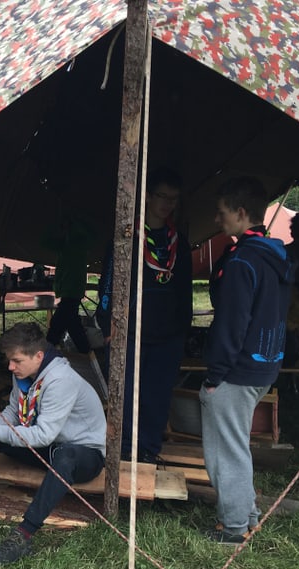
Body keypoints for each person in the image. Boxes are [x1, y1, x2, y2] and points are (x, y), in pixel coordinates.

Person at [0, 322, 106, 564]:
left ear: (38, 355)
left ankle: (23, 536)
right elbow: (13, 414)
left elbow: (44, 434)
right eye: (9, 360)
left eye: (16, 360)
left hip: (84, 454)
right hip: (49, 447)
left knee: (65, 456)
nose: (10, 366)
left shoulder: (60, 380)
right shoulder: (26, 373)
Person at [201, 176, 292, 544]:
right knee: (236, 443)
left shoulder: (243, 262)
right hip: (265, 363)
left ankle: (235, 527)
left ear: (241, 213)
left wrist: (215, 376)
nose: (218, 220)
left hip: (237, 370)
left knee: (226, 450)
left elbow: (231, 324)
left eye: (222, 214)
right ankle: (248, 516)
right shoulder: (272, 256)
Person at [96, 167, 192, 462]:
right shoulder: (126, 237)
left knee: (157, 397)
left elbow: (185, 290)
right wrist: (107, 320)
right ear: (148, 196)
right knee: (125, 396)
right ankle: (124, 453)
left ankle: (148, 451)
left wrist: (183, 329)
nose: (166, 203)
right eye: (162, 196)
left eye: (173, 199)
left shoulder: (179, 241)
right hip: (130, 332)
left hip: (168, 336)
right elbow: (108, 283)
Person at [42, 211, 95, 353]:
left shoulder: (80, 241)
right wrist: (57, 224)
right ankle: (85, 352)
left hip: (72, 290)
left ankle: (49, 350)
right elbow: (46, 241)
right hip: (68, 290)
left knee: (59, 323)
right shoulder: (64, 243)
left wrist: (72, 222)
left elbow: (87, 234)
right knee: (71, 322)